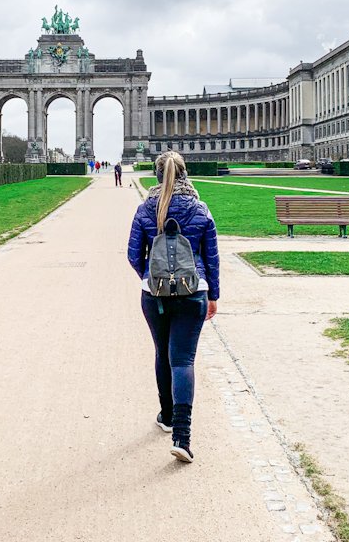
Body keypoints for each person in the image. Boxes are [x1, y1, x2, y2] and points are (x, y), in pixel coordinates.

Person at [127, 151, 219, 463]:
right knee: (182, 360)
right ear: (185, 173)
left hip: (154, 296)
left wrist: (150, 278)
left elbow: (132, 254)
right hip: (193, 293)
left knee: (161, 353)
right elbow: (212, 258)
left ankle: (166, 415)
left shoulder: (145, 208)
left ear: (156, 175)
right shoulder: (200, 207)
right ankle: (182, 435)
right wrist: (213, 294)